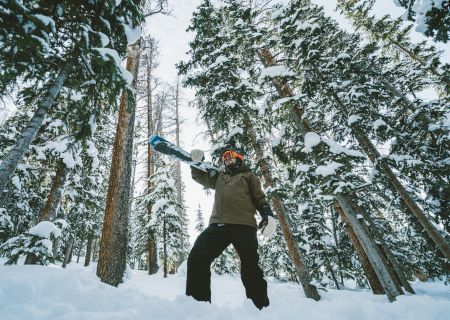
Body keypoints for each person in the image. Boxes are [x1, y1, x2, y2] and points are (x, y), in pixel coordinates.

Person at [185, 147, 275, 310]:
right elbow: (200, 177)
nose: (226, 160)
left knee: (250, 266)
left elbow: (260, 198)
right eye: (224, 158)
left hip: (244, 225)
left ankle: (260, 309)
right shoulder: (220, 177)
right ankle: (197, 307)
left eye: (230, 157)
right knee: (197, 257)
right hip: (218, 225)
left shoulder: (249, 176)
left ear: (239, 159)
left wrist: (267, 215)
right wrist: (195, 163)